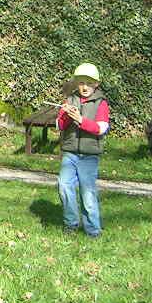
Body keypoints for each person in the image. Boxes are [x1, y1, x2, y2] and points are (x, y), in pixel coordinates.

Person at [56, 62, 110, 238]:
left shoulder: (101, 103)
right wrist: (66, 116)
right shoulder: (70, 100)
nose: (84, 87)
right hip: (70, 153)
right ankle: (70, 224)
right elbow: (60, 125)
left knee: (87, 193)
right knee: (64, 185)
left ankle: (93, 230)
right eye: (81, 83)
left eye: (89, 83)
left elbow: (101, 128)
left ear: (96, 84)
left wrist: (80, 119)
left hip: (89, 156)